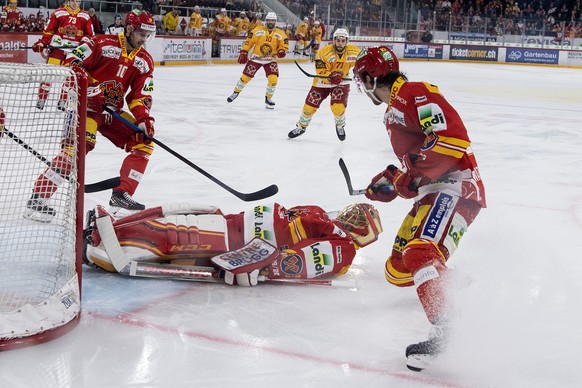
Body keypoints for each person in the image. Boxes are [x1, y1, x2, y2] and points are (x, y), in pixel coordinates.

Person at [352, 46, 486, 371]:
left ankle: (447, 328)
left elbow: (451, 139)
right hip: (434, 193)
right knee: (397, 268)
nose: (361, 86)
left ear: (370, 78)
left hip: (456, 187)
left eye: (361, 80)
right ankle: (450, 282)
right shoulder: (394, 110)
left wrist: (409, 174)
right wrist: (394, 180)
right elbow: (418, 165)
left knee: (418, 253)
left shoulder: (413, 93)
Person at [24, 10, 157, 223]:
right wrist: (90, 90)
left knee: (144, 141)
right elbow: (73, 62)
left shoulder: (145, 60)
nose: (144, 40)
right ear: (130, 29)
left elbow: (141, 95)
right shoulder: (101, 43)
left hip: (110, 111)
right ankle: (38, 197)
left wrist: (143, 118)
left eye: (148, 35)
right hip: (85, 106)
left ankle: (121, 195)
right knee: (77, 148)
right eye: (142, 34)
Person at [83, 201, 383, 286]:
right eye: (354, 211)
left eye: (358, 218)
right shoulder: (322, 217)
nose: (350, 215)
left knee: (174, 237)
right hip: (233, 224)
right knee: (177, 221)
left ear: (362, 232)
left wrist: (255, 265)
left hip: (239, 242)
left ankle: (103, 246)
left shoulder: (343, 248)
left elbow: (296, 263)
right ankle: (114, 227)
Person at [288, 28, 360, 142]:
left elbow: (361, 64)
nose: (340, 43)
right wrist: (330, 76)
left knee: (338, 108)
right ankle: (301, 127)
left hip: (341, 82)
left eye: (343, 40)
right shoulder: (323, 52)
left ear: (347, 41)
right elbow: (320, 70)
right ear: (334, 40)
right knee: (309, 107)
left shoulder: (355, 52)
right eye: (338, 40)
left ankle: (340, 126)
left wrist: (358, 73)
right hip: (322, 83)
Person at [31, 0, 94, 111]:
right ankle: (41, 99)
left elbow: (90, 35)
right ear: (68, 1)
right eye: (73, 1)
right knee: (48, 73)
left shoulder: (85, 16)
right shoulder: (58, 13)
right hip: (58, 48)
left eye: (78, 1)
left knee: (69, 76)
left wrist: (82, 46)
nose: (75, 3)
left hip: (74, 52)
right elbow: (49, 31)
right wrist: (42, 42)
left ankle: (63, 101)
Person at [226, 12, 288, 109]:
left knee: (273, 79)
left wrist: (282, 50)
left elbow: (284, 45)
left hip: (270, 60)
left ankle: (268, 99)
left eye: (272, 20)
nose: (271, 22)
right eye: (269, 20)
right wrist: (244, 52)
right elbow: (249, 41)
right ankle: (235, 92)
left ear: (275, 21)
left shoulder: (280, 34)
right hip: (256, 59)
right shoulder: (258, 30)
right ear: (266, 21)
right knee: (245, 77)